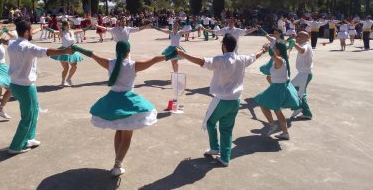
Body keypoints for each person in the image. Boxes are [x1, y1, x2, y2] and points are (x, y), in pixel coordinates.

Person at [72, 41, 175, 176]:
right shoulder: (133, 65)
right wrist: (173, 54)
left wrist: (76, 47)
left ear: (116, 51)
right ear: (128, 52)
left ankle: (118, 160)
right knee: (127, 136)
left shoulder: (110, 63)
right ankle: (117, 165)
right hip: (128, 102)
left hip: (113, 101)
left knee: (119, 131)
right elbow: (155, 59)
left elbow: (91, 54)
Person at [176, 34, 267, 167]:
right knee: (227, 129)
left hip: (222, 100)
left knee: (210, 122)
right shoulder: (242, 59)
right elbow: (254, 55)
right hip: (236, 101)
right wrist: (264, 49)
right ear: (235, 46)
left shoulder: (220, 60)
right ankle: (225, 158)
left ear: (224, 46)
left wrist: (183, 54)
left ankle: (214, 148)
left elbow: (202, 61)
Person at [7, 20, 74, 154]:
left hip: (15, 84)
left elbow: (9, 39)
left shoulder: (11, 44)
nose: (32, 32)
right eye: (31, 30)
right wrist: (66, 50)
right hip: (25, 86)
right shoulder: (28, 47)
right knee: (28, 116)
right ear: (26, 32)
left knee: (34, 111)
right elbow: (47, 51)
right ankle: (16, 146)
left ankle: (29, 138)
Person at [254, 42, 300, 140]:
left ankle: (273, 124)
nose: (274, 49)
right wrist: (291, 46)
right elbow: (288, 51)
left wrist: (268, 49)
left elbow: (273, 55)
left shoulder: (280, 60)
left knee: (262, 103)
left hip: (278, 88)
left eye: (275, 48)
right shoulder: (283, 57)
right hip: (277, 87)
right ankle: (285, 132)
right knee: (277, 110)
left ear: (278, 50)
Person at [50, 21, 84, 86]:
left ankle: (68, 79)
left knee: (74, 66)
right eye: (67, 25)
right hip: (63, 51)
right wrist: (45, 28)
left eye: (69, 25)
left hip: (72, 51)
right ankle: (63, 81)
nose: (69, 26)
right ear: (64, 26)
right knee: (66, 68)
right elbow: (53, 31)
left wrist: (89, 27)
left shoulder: (72, 32)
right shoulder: (62, 33)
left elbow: (82, 30)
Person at [290, 31, 314, 120]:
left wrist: (294, 44)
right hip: (303, 74)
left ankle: (301, 109)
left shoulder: (305, 45)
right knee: (299, 92)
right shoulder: (304, 44)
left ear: (305, 38)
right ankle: (305, 111)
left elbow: (302, 50)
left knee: (293, 90)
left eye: (298, 36)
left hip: (305, 74)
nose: (296, 37)